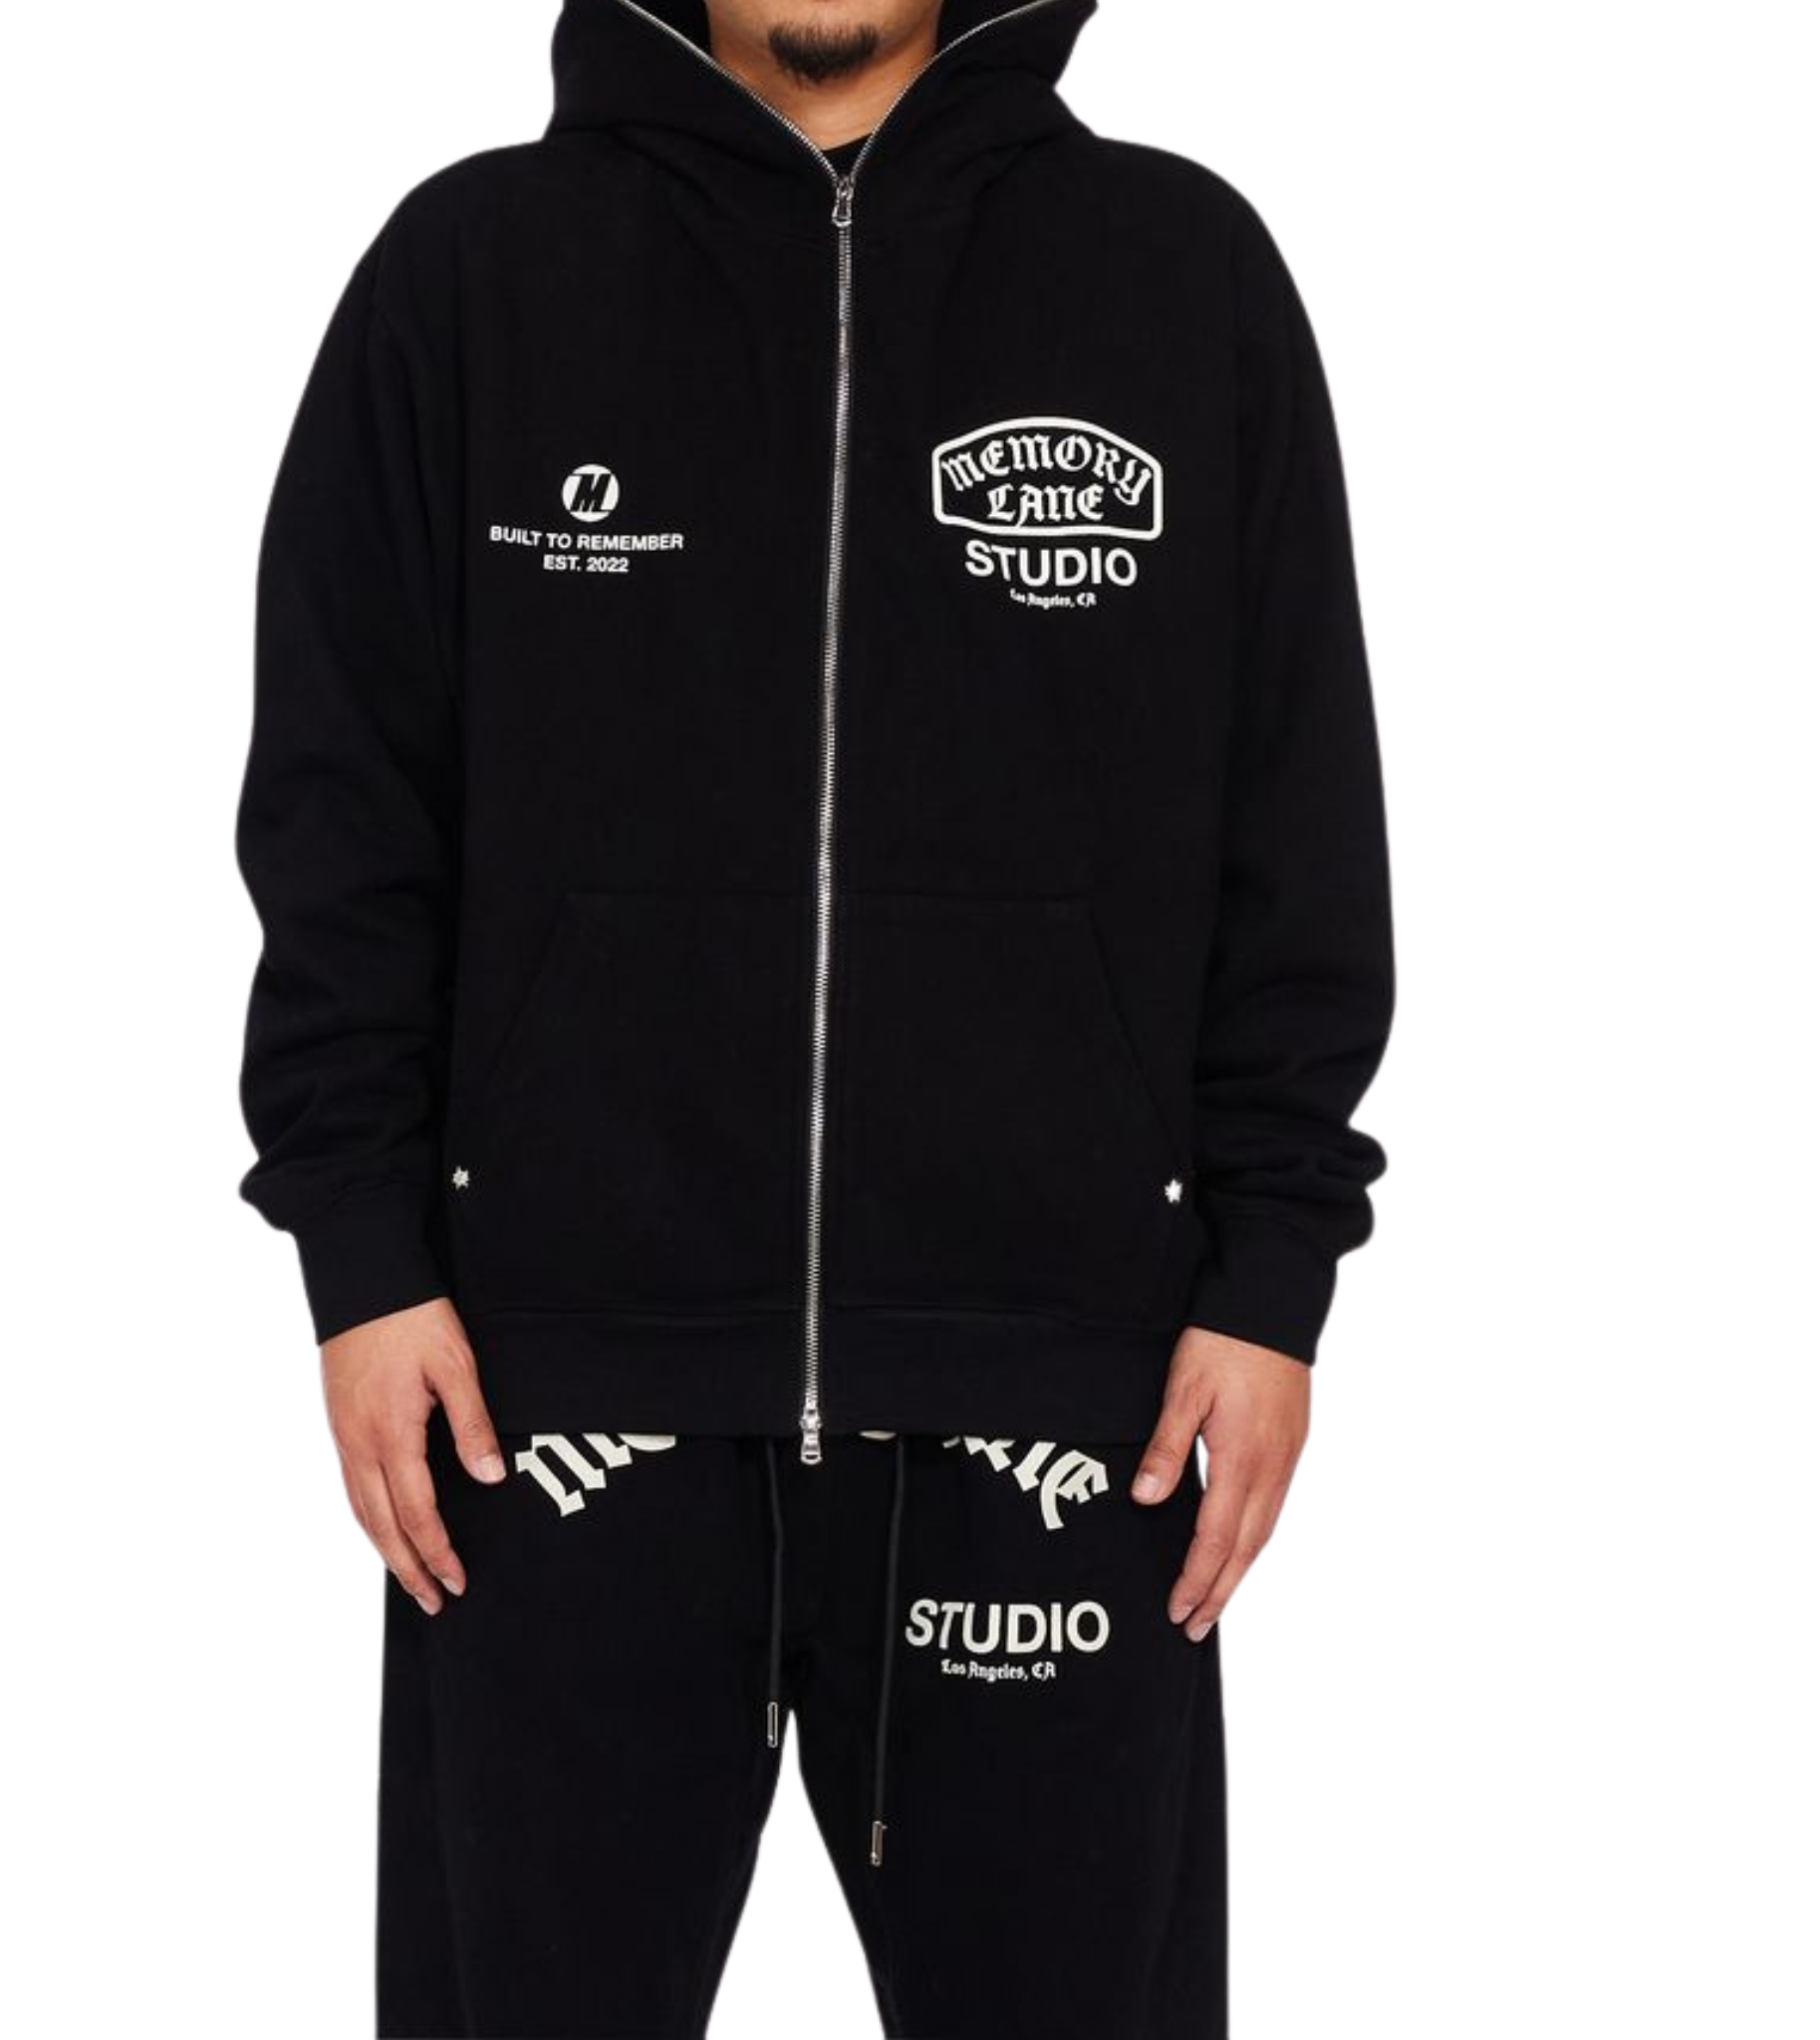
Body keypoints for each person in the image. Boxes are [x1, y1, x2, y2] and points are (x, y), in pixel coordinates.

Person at [235, 0, 1395, 2032]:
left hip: (1061, 1406)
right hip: (550, 1398)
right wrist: (361, 1257)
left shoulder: (1179, 275)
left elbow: (1293, 824)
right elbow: (345, 812)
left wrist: (1272, 1277)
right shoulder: (472, 276)